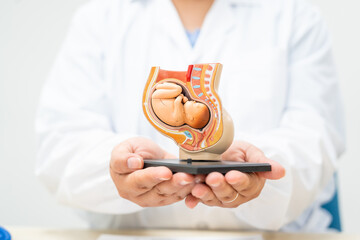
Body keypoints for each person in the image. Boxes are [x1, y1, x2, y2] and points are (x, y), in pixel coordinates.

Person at [35, 0, 345, 232]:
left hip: (271, 235)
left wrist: (258, 172)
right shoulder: (99, 19)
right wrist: (117, 167)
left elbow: (315, 138)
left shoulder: (295, 16)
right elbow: (62, 142)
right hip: (133, 233)